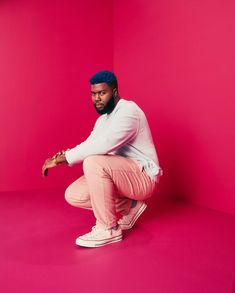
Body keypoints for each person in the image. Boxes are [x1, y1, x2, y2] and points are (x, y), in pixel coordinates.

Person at [42, 70, 162, 248]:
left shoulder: (129, 111)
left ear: (114, 92)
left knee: (93, 161)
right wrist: (61, 156)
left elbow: (105, 144)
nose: (97, 98)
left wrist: (64, 158)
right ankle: (130, 206)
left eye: (102, 93)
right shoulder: (103, 120)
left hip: (143, 177)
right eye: (93, 94)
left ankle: (108, 229)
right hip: (123, 176)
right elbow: (90, 143)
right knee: (74, 195)